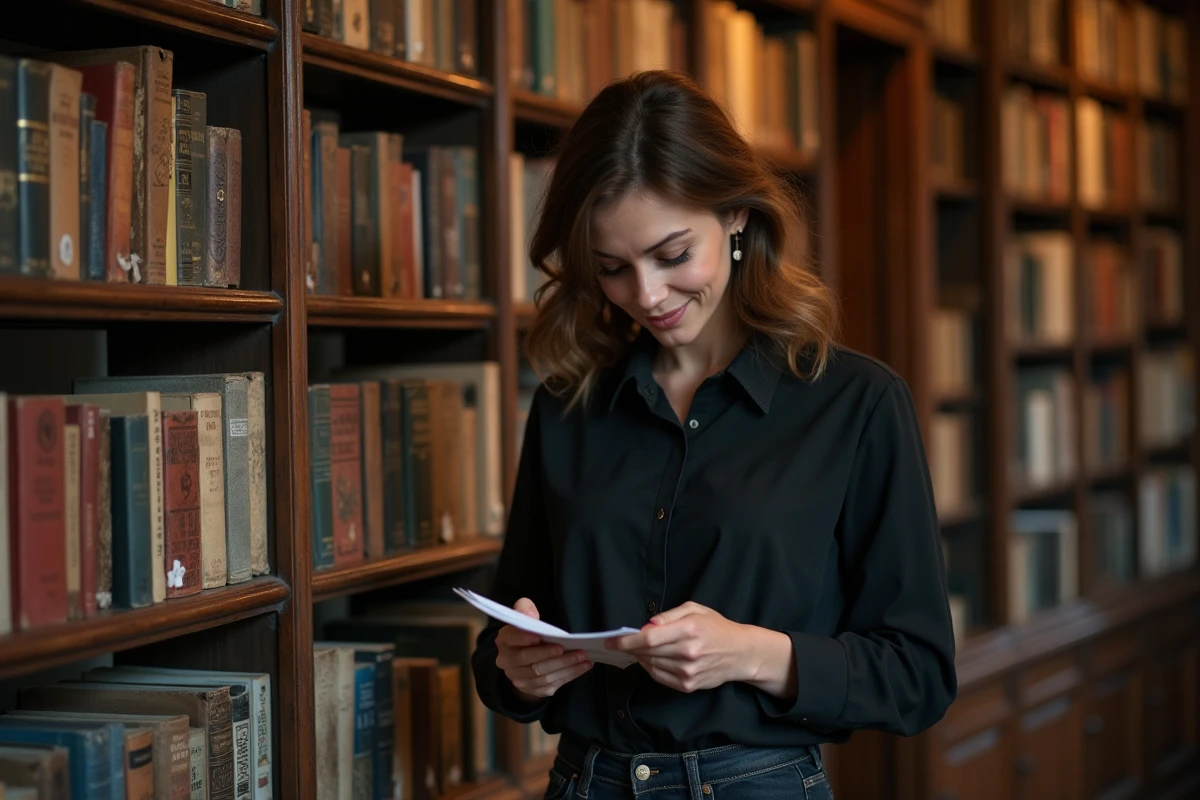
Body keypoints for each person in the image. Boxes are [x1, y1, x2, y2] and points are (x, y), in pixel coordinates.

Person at [470, 70, 957, 800]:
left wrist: (752, 654)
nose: (647, 295)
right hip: (583, 782)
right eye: (613, 269)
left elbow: (918, 675)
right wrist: (517, 669)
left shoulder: (855, 403)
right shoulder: (566, 408)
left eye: (672, 255)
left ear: (736, 216)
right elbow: (506, 636)